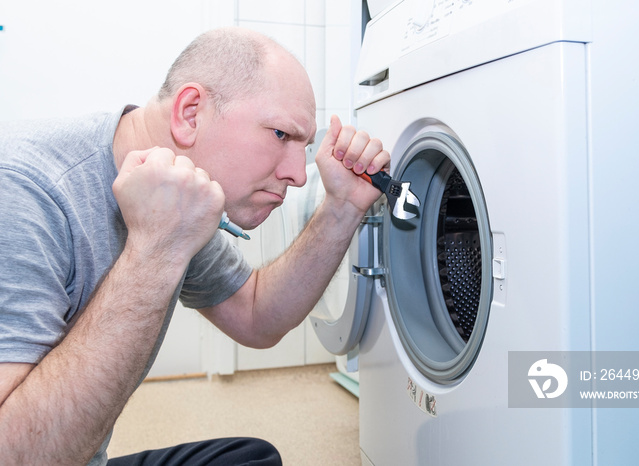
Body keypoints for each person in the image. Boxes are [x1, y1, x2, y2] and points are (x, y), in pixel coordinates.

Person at [0, 27, 389, 465]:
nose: (298, 175)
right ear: (189, 113)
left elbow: (257, 316)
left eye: (305, 146)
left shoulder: (178, 191)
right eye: (281, 134)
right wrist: (156, 249)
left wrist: (342, 208)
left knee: (252, 459)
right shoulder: (23, 192)